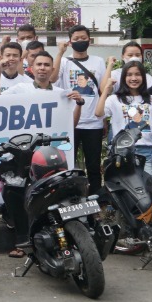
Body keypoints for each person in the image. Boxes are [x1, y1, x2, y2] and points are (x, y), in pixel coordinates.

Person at [51, 25, 106, 193]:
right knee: (68, 165)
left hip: (93, 123)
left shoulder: (98, 61)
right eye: (76, 39)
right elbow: (52, 80)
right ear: (70, 41)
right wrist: (59, 53)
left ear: (89, 40)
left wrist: (104, 121)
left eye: (83, 38)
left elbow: (102, 90)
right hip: (71, 123)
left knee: (94, 165)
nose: (80, 41)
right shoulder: (65, 62)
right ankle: (70, 197)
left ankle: (96, 198)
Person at [97, 60, 152, 176]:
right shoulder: (114, 99)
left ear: (143, 77)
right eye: (129, 75)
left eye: (137, 74)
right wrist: (106, 91)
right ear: (123, 77)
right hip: (121, 151)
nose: (133, 78)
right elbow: (99, 114)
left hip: (146, 151)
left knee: (148, 188)